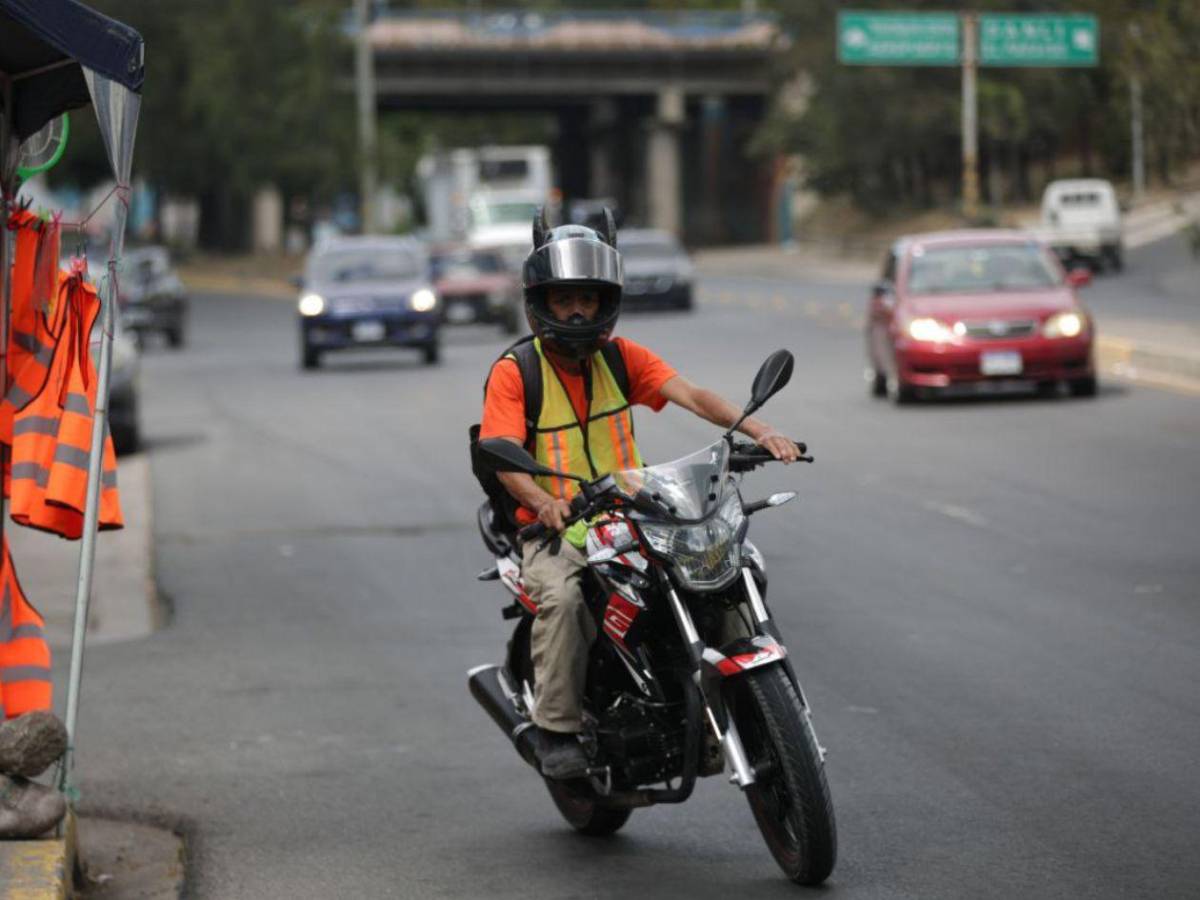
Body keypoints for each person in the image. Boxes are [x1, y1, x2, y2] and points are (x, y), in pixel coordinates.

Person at [478, 212, 803, 779]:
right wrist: (544, 500)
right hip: (558, 527)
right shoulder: (517, 371)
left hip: (634, 511)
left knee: (725, 565)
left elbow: (693, 395)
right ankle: (555, 726)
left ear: (606, 301)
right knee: (564, 600)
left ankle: (740, 697)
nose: (577, 311)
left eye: (587, 298)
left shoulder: (620, 357)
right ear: (540, 303)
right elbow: (499, 449)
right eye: (563, 300)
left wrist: (759, 431)